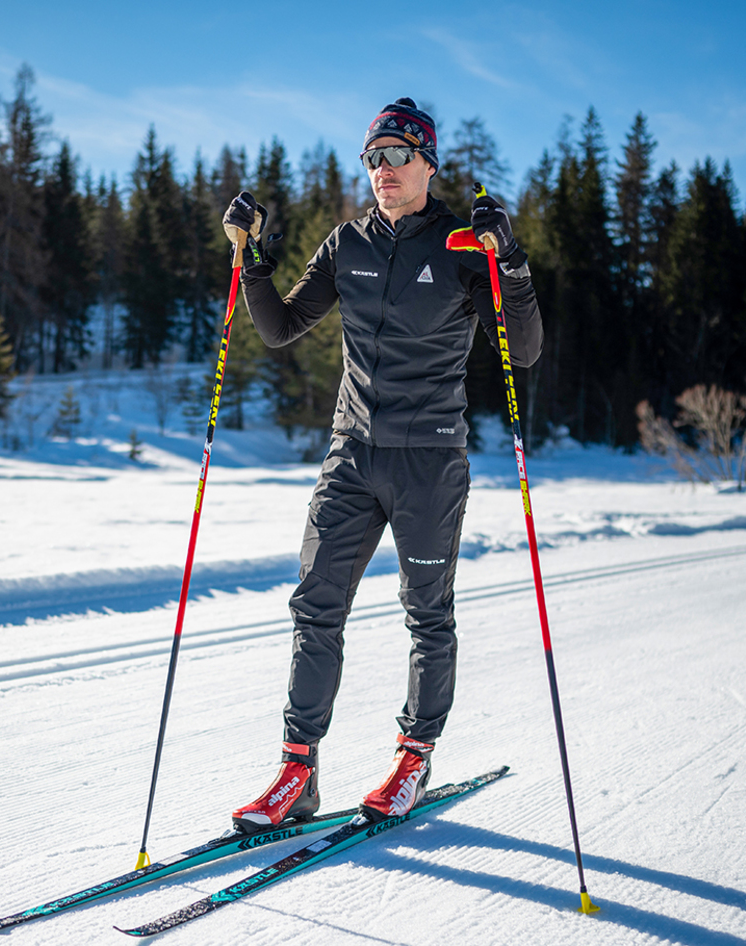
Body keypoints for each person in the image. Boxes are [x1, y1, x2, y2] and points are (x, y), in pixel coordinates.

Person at [223, 98, 544, 831]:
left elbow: (522, 351)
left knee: (427, 615)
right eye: (374, 158)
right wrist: (251, 258)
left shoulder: (465, 245)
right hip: (353, 453)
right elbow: (279, 328)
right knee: (315, 605)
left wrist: (513, 264)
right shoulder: (348, 243)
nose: (384, 170)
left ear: (429, 163)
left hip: (430, 460)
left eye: (399, 155)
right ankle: (297, 771)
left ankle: (414, 757)